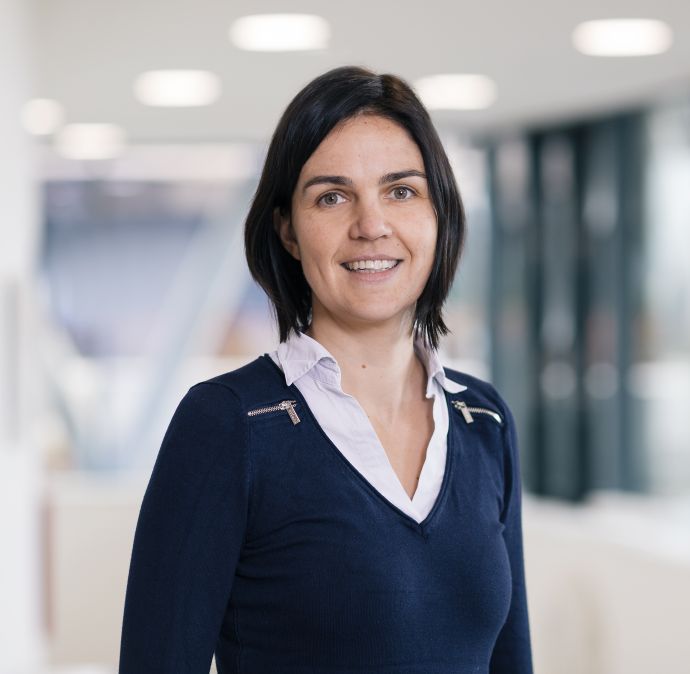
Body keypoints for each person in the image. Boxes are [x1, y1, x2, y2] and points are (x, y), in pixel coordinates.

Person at [118, 65, 534, 673]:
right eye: (332, 196)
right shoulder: (230, 424)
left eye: (401, 191)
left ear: (438, 213)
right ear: (287, 229)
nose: (370, 226)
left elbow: (511, 661)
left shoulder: (484, 420)